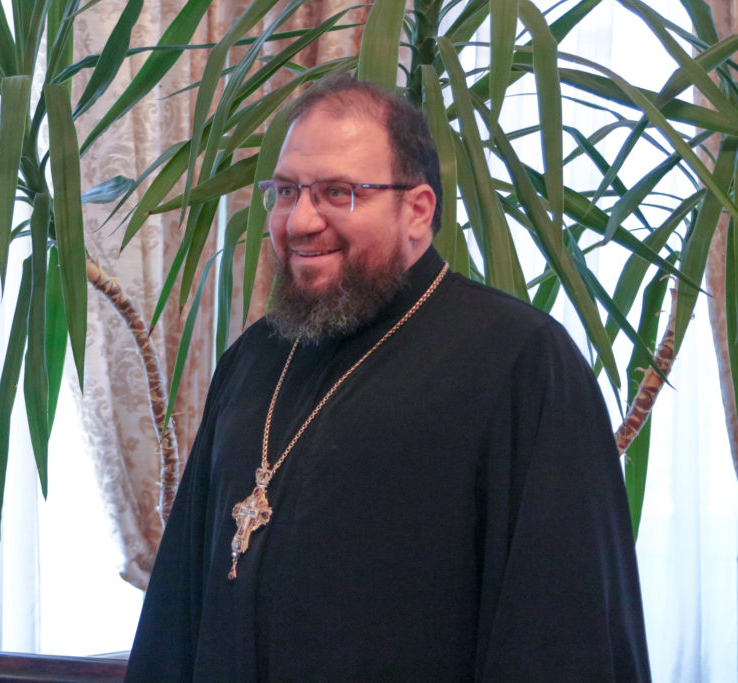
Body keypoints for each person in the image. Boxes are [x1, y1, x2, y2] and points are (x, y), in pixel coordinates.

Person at [125, 75, 650, 681]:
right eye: (287, 191)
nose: (300, 221)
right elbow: (178, 608)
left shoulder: (520, 360)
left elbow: (561, 628)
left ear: (417, 211)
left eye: (338, 193)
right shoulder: (254, 359)